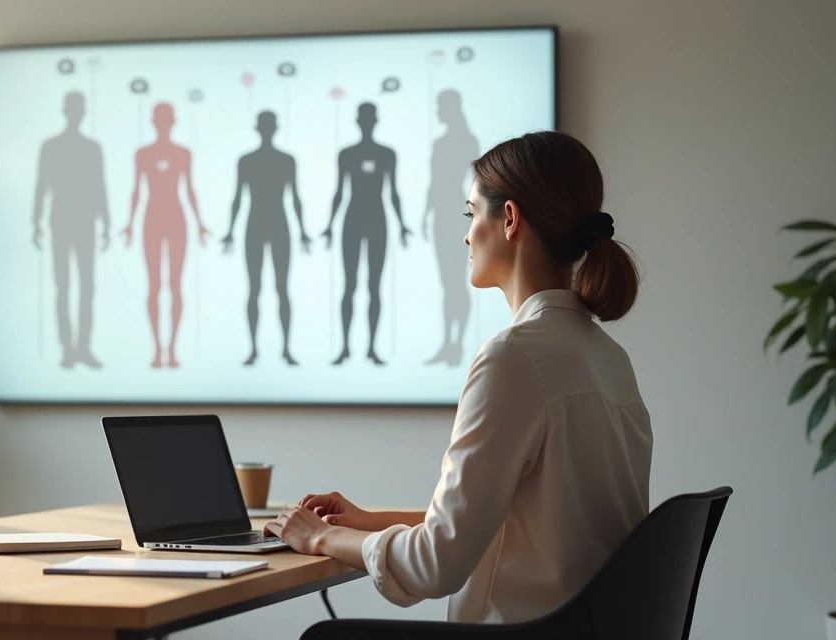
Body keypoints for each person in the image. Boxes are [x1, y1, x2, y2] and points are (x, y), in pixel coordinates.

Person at [265, 131, 652, 625]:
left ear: (509, 219)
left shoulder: (513, 357)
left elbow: (436, 565)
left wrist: (318, 536)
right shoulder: (607, 356)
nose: (467, 235)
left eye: (472, 214)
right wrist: (363, 522)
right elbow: (507, 523)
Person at [120, 103, 209, 369]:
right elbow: (136, 190)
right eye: (160, 119)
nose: (164, 123)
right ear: (153, 122)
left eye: (167, 119)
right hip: (152, 220)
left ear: (173, 122)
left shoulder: (183, 153)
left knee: (176, 285)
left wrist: (200, 223)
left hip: (177, 221)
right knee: (154, 286)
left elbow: (189, 189)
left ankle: (173, 350)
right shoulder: (142, 154)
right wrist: (130, 223)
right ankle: (158, 350)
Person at [321, 102, 410, 366]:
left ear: (374, 121)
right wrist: (329, 224)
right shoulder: (346, 154)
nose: (367, 122)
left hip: (377, 221)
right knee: (349, 285)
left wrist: (402, 223)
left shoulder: (387, 154)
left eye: (370, 119)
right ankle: (346, 347)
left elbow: (393, 191)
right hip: (352, 220)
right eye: (364, 119)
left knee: (374, 286)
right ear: (359, 122)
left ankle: (371, 347)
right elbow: (339, 191)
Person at [222, 111, 311, 366]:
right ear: (259, 128)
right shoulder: (246, 161)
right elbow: (238, 197)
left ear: (274, 128)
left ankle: (285, 348)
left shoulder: (286, 160)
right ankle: (253, 349)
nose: (267, 129)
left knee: (282, 288)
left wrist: (303, 230)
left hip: (279, 225)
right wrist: (229, 230)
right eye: (265, 125)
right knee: (255, 289)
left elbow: (295, 197)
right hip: (255, 226)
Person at [32, 91, 110, 369]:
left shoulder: (92, 148)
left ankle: (83, 347)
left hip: (85, 222)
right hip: (61, 221)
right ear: (66, 111)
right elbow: (42, 185)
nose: (77, 113)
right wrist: (35, 221)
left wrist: (106, 221)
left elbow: (100, 185)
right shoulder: (51, 146)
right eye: (73, 108)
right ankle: (67, 348)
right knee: (63, 287)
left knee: (86, 286)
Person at [422, 90, 479, 367]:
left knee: (457, 281)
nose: (437, 111)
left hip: (456, 213)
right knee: (448, 283)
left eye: (440, 106)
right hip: (440, 215)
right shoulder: (440, 142)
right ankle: (449, 343)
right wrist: (425, 213)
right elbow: (433, 182)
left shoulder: (467, 141)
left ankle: (457, 343)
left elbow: (478, 184)